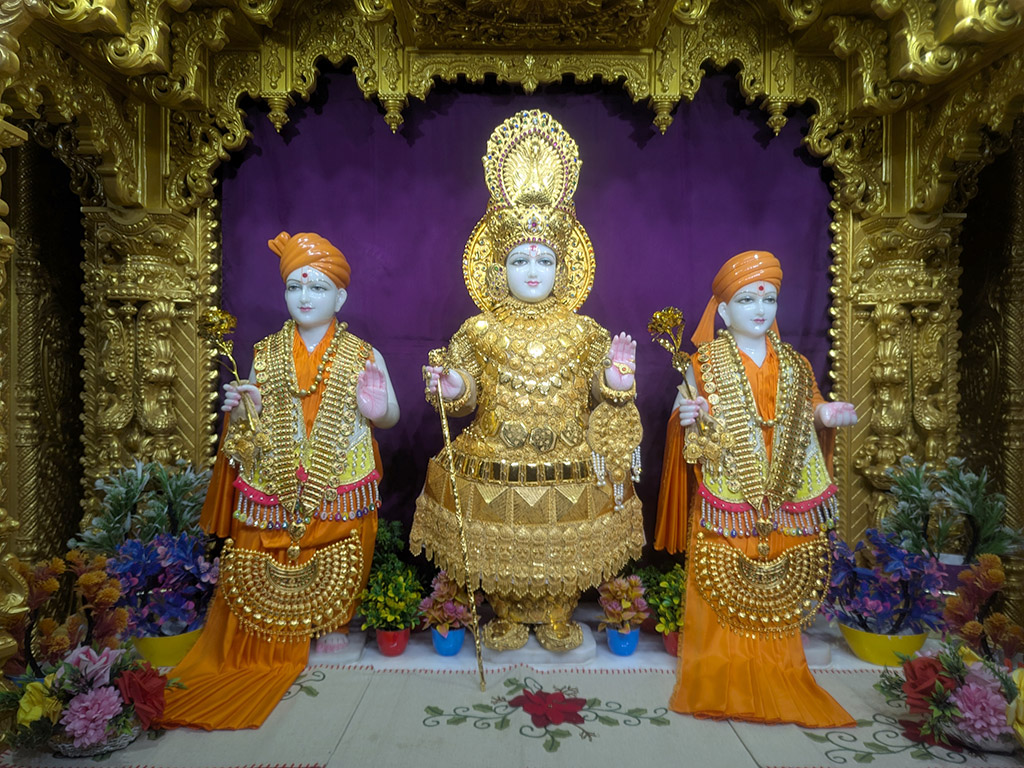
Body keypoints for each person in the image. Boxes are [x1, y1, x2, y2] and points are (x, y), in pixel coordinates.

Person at [410, 110, 644, 652]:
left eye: (544, 258)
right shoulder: (480, 328)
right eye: (519, 258)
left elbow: (602, 393)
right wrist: (449, 388)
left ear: (564, 269)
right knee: (494, 533)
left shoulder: (585, 331)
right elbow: (464, 391)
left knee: (565, 534)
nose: (532, 269)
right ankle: (509, 614)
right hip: (493, 457)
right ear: (498, 269)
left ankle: (560, 612)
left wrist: (614, 377)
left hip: (568, 458)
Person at [160, 232, 399, 730]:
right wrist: (246, 410)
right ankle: (275, 625)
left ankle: (333, 621)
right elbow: (252, 421)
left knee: (344, 535)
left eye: (317, 288)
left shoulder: (365, 354)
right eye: (294, 288)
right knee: (268, 537)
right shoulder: (265, 353)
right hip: (280, 474)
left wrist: (379, 410)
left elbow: (390, 415)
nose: (305, 298)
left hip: (340, 472)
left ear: (341, 297)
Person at [654, 250, 856, 727]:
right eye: (746, 300)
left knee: (781, 584)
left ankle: (780, 665)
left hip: (783, 489)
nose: (760, 309)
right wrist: (686, 418)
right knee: (724, 580)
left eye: (768, 298)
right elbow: (685, 416)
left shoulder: (795, 362)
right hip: (730, 492)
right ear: (723, 311)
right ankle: (723, 670)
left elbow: (811, 406)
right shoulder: (702, 363)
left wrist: (825, 416)